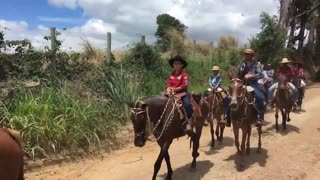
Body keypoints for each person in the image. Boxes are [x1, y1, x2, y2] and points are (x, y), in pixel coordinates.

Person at [236, 48, 265, 126]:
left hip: (252, 84)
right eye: (245, 54)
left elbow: (261, 75)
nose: (246, 56)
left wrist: (252, 75)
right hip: (242, 83)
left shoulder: (257, 64)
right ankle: (228, 116)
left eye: (248, 54)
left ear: (252, 55)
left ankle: (260, 117)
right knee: (230, 96)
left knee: (259, 97)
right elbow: (238, 74)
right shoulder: (242, 64)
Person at [166, 55, 193, 133]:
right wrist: (168, 88)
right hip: (171, 93)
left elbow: (184, 85)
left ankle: (189, 122)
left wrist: (173, 89)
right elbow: (168, 83)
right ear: (173, 65)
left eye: (178, 63)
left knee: (187, 104)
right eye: (175, 63)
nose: (176, 65)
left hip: (182, 93)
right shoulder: (172, 74)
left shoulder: (184, 74)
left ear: (181, 65)